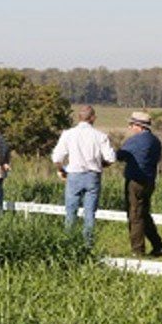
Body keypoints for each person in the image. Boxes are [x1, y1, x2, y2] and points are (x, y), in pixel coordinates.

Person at [52, 105, 115, 245]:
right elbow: (110, 158)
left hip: (74, 175)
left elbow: (57, 158)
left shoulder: (68, 134)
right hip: (93, 175)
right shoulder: (100, 136)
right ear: (93, 118)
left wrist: (62, 170)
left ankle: (68, 243)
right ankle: (88, 244)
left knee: (70, 212)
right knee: (90, 213)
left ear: (79, 117)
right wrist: (100, 165)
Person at [117, 112, 162, 257]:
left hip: (135, 181)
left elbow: (119, 156)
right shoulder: (155, 141)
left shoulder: (135, 140)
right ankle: (158, 245)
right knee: (144, 213)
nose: (130, 127)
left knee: (135, 215)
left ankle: (137, 251)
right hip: (150, 180)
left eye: (132, 124)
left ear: (139, 126)